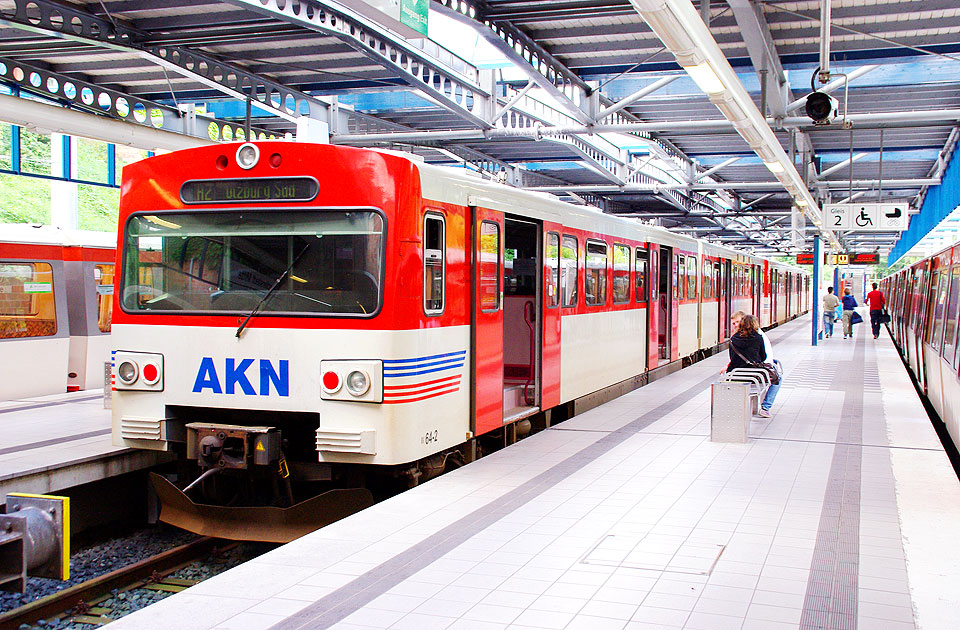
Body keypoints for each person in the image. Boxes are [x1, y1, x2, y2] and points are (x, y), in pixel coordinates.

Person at [732, 311, 780, 418]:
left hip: (736, 374)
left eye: (737, 322)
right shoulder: (759, 337)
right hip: (754, 375)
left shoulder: (733, 339)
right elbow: (763, 357)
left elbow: (732, 358)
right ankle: (765, 408)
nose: (735, 325)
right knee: (778, 378)